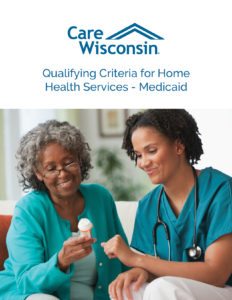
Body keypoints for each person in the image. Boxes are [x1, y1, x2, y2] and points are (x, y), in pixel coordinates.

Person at [101, 109, 232, 300]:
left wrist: (137, 259)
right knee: (128, 290)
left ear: (179, 146)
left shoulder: (221, 190)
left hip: (223, 290)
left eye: (151, 151)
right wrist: (141, 272)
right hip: (175, 290)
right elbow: (154, 268)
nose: (143, 162)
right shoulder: (148, 206)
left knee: (162, 288)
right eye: (138, 155)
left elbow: (217, 274)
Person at [0, 120, 128, 300]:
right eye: (51, 168)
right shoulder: (29, 209)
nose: (62, 173)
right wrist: (60, 261)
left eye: (69, 162)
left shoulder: (100, 198)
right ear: (38, 174)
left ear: (80, 161)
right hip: (32, 295)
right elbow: (25, 281)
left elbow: (123, 257)